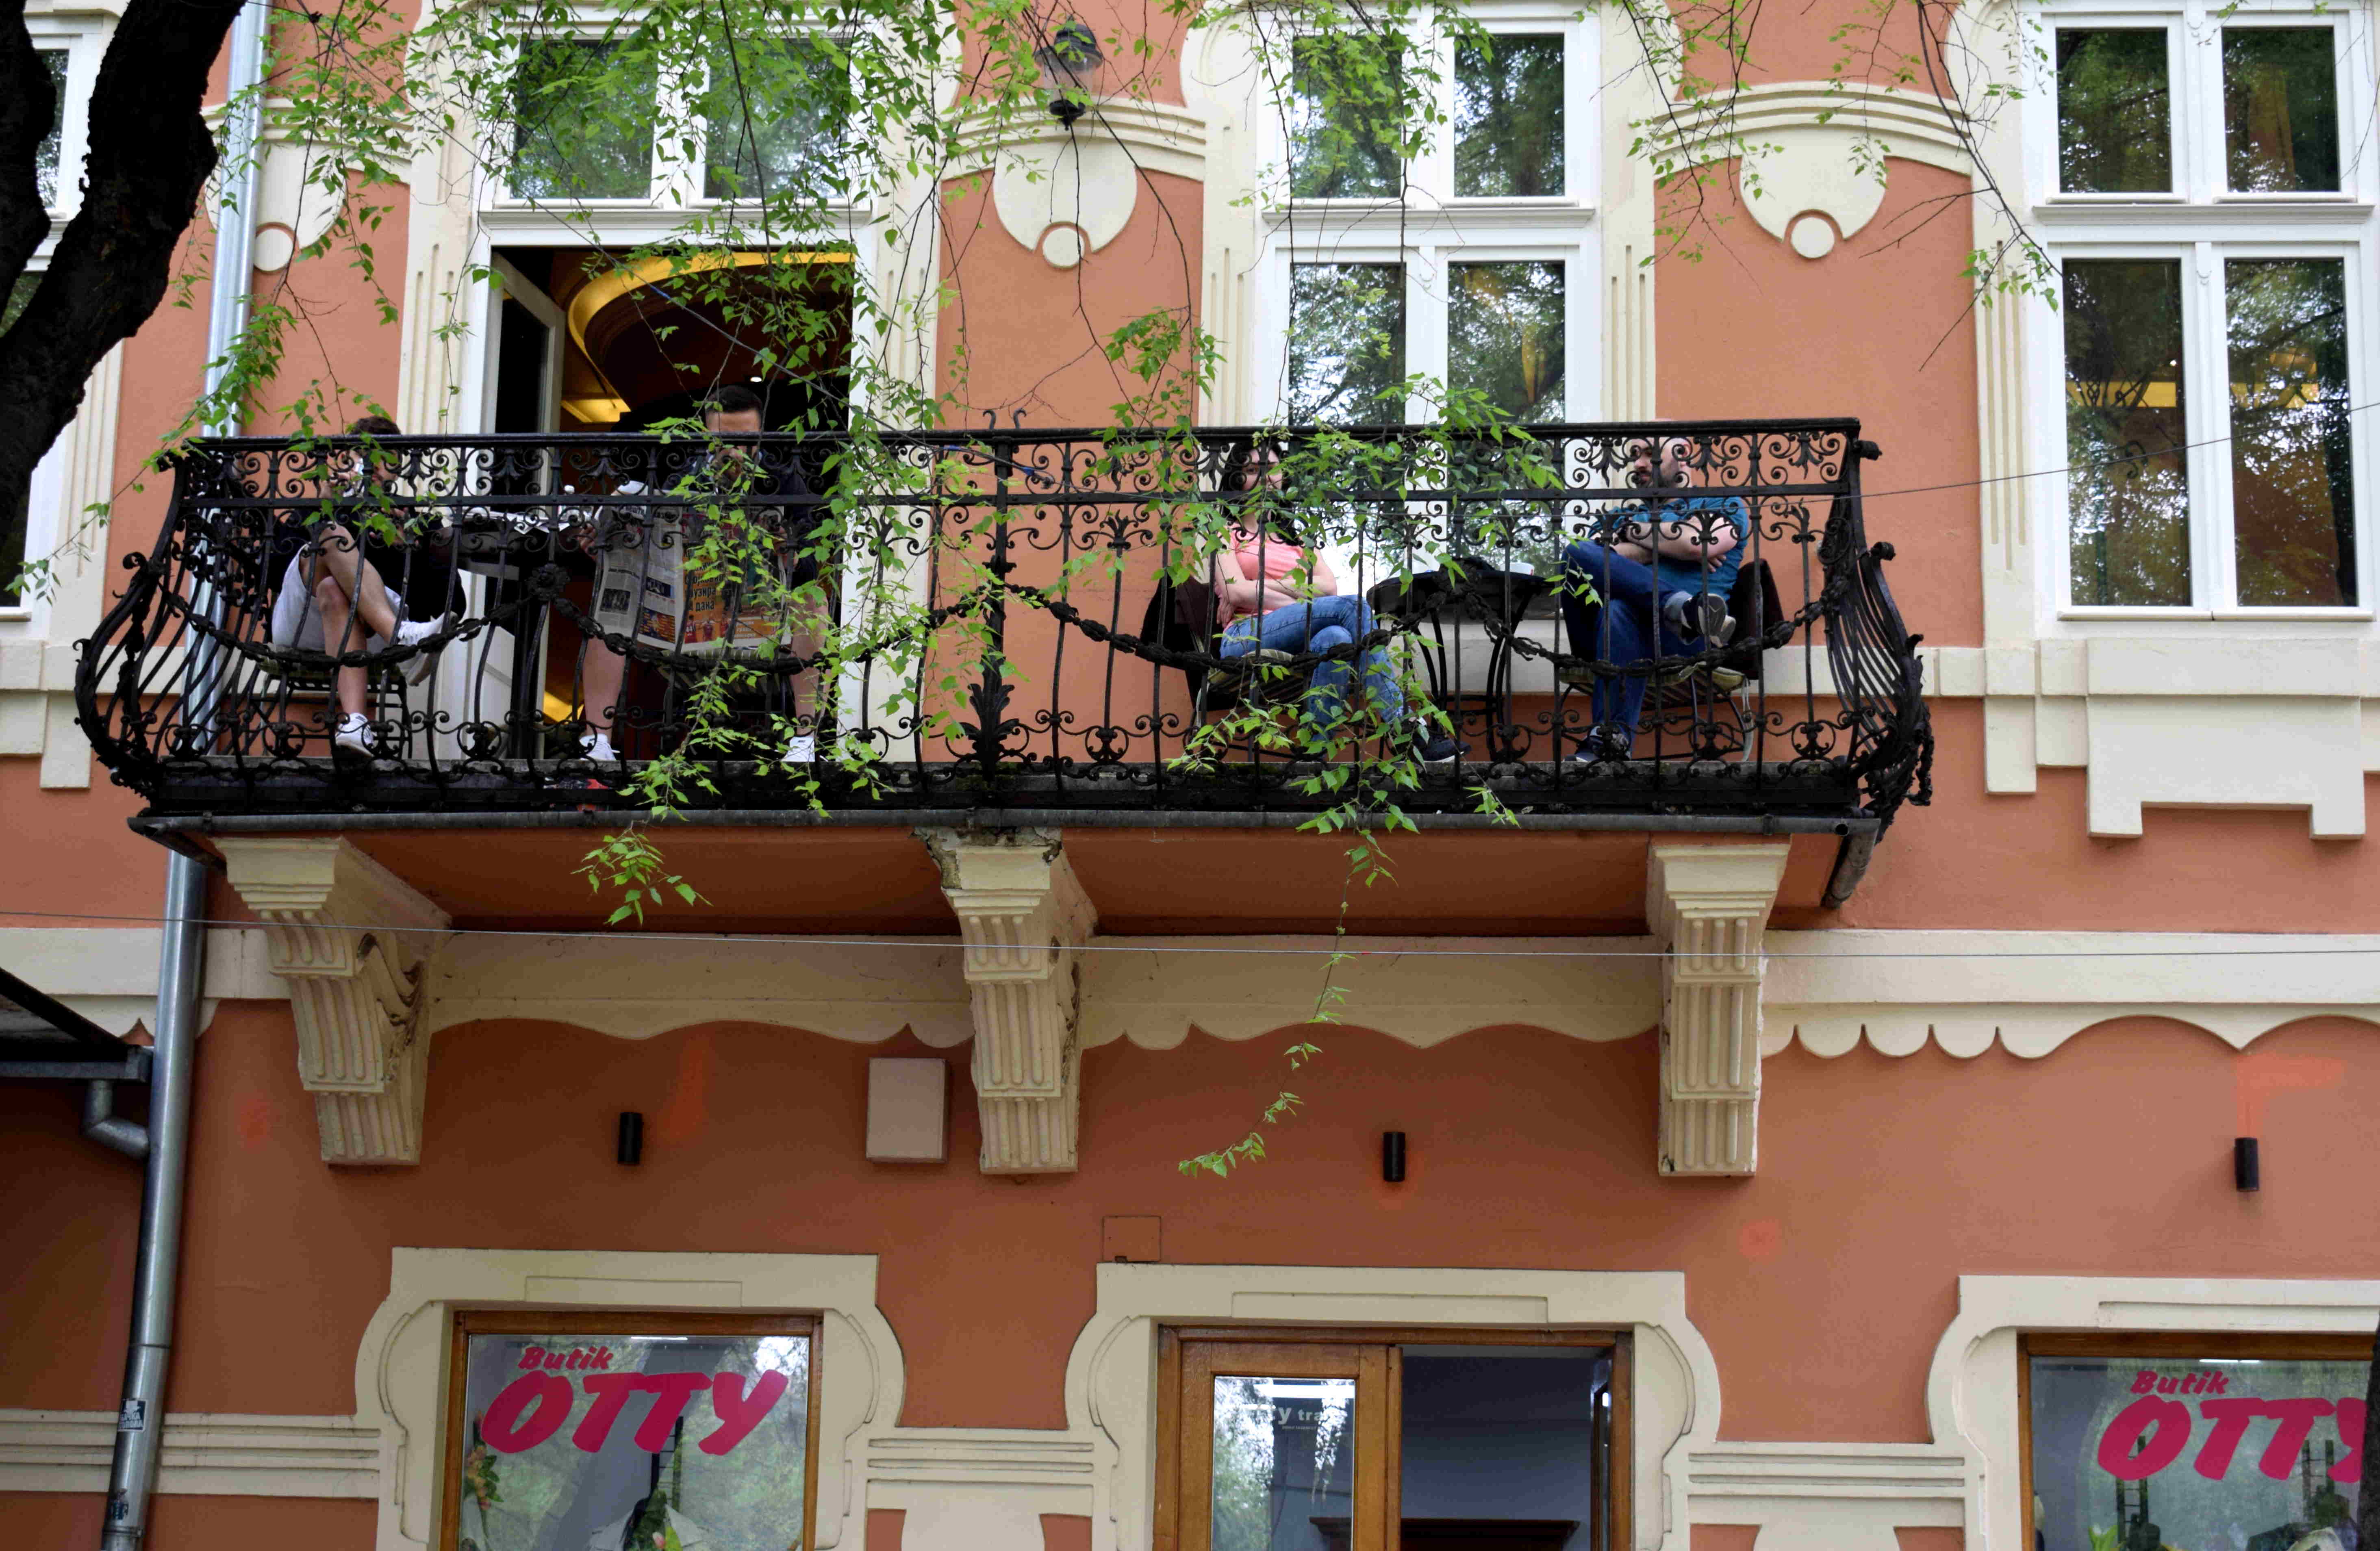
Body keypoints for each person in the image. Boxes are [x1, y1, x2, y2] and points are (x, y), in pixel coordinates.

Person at [579, 385, 825, 765]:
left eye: (746, 441)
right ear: (705, 438)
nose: (734, 451)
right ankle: (596, 741)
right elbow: (635, 560)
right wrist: (606, 547)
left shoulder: (784, 482)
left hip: (759, 628)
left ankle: (805, 743)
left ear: (761, 438)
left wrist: (788, 550)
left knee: (812, 600)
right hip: (679, 625)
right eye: (723, 441)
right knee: (611, 605)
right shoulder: (676, 478)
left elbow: (811, 564)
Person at [1211, 443, 1454, 761]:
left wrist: (1259, 587)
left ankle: (1317, 748)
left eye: (1272, 469)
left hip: (1301, 640)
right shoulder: (1222, 530)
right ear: (1236, 478)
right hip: (1245, 636)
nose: (1265, 478)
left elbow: (1329, 588)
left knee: (1337, 638)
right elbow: (1237, 594)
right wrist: (1298, 594)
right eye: (1254, 470)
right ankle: (1405, 727)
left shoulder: (1298, 541)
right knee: (1351, 608)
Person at [267, 415, 450, 762]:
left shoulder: (415, 517)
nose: (375, 466)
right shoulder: (321, 501)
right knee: (331, 536)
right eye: (365, 455)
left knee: (334, 592)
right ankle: (403, 639)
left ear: (399, 469)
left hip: (371, 635)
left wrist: (408, 545)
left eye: (387, 458)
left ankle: (354, 723)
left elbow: (449, 598)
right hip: (302, 625)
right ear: (348, 458)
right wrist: (324, 508)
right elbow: (277, 574)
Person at [1557, 432, 1749, 759]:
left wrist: (1634, 539)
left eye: (1649, 453)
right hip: (1604, 637)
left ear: (1682, 451)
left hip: (1688, 642)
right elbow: (1594, 558)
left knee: (1617, 608)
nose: (1639, 464)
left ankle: (1608, 742)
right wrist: (1676, 545)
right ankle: (1682, 607)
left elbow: (1698, 545)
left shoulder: (1722, 503)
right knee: (1576, 552)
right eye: (1635, 455)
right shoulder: (1617, 516)